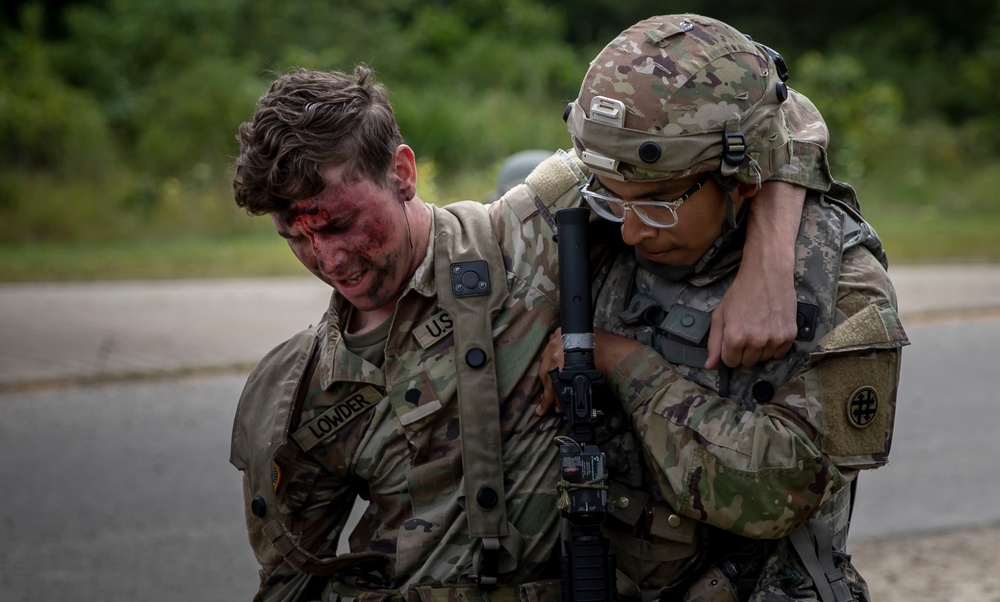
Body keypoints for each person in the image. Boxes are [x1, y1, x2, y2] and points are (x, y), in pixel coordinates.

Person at [228, 57, 836, 600]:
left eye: (339, 224)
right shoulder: (302, 386)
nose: (328, 260)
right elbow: (289, 580)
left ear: (402, 172)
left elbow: (778, 109)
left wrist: (768, 261)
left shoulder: (528, 232)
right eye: (296, 238)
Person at [537, 14, 909, 601]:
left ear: (744, 180)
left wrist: (624, 365)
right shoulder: (609, 208)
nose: (630, 231)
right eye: (612, 199)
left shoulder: (844, 284)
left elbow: (776, 490)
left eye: (658, 204)